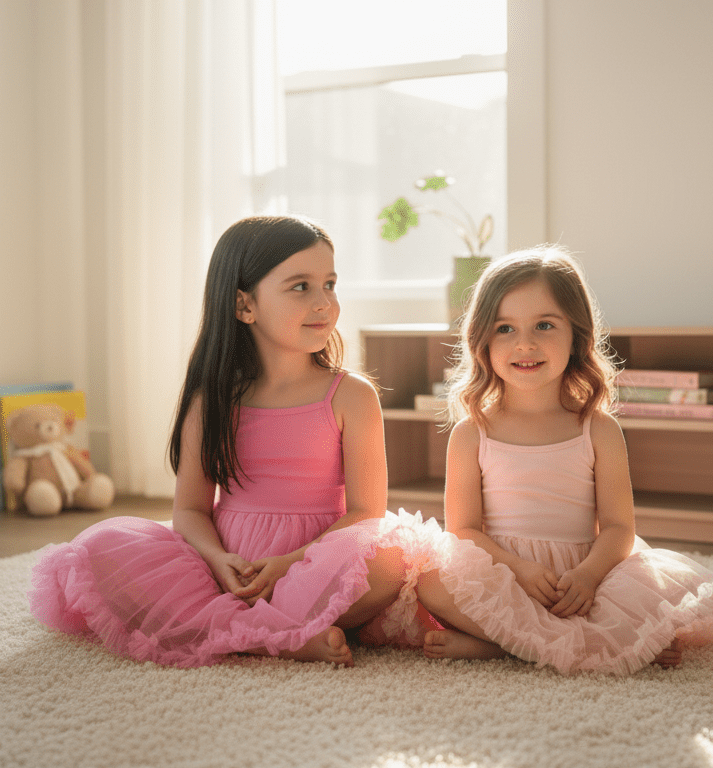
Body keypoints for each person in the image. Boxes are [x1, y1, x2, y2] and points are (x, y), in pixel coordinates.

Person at [28, 215, 429, 668]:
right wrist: (218, 559)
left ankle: (266, 628)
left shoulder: (352, 395)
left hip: (314, 562)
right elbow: (191, 510)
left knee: (392, 556)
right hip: (225, 568)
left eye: (330, 284)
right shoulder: (214, 400)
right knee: (103, 545)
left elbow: (365, 514)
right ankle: (273, 634)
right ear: (244, 306)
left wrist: (292, 561)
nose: (324, 303)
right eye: (301, 287)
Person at [413, 245, 713, 675]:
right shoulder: (471, 432)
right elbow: (463, 531)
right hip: (510, 573)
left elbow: (618, 527)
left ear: (577, 336)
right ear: (481, 339)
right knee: (430, 581)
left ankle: (506, 646)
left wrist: (589, 577)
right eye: (505, 328)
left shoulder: (598, 429)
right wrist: (519, 570)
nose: (525, 343)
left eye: (544, 325)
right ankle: (582, 647)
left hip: (588, 573)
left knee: (641, 600)